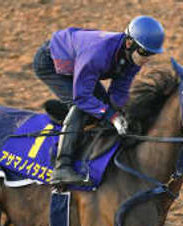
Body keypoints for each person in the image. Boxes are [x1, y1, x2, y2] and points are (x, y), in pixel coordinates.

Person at [33, 15, 165, 186]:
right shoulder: (98, 54)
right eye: (144, 52)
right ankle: (62, 167)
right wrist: (111, 116)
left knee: (102, 105)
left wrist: (120, 114)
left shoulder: (133, 58)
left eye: (152, 54)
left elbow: (119, 91)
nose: (146, 58)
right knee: (81, 106)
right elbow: (82, 98)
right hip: (51, 63)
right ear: (128, 43)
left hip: (79, 62)